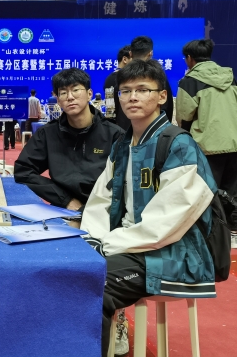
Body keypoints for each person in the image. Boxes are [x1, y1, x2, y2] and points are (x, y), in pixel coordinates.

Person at [80, 59, 217, 357]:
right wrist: (92, 239)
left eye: (143, 90)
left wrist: (108, 244)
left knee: (91, 287)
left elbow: (165, 224)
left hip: (173, 252)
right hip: (129, 245)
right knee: (73, 272)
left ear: (162, 96)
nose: (133, 97)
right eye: (126, 91)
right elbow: (101, 201)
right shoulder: (122, 144)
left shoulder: (179, 145)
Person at [15, 68, 124, 212]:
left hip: (105, 211)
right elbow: (23, 170)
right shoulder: (48, 134)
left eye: (76, 90)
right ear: (58, 100)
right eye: (63, 93)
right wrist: (66, 200)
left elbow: (125, 181)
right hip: (64, 211)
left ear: (89, 94)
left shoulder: (114, 135)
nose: (70, 97)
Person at [176, 38, 237, 246]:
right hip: (234, 142)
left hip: (207, 146)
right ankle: (232, 232)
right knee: (232, 192)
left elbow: (184, 116)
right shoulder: (230, 78)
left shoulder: (189, 82)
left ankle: (211, 236)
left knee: (208, 191)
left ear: (189, 59)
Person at [130, 36, 174, 124]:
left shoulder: (121, 75)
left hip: (124, 128)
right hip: (153, 126)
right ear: (150, 53)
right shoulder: (158, 75)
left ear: (130, 54)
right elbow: (167, 106)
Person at [104, 45, 131, 129]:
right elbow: (110, 110)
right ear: (125, 59)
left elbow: (110, 112)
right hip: (123, 128)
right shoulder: (124, 79)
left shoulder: (109, 79)